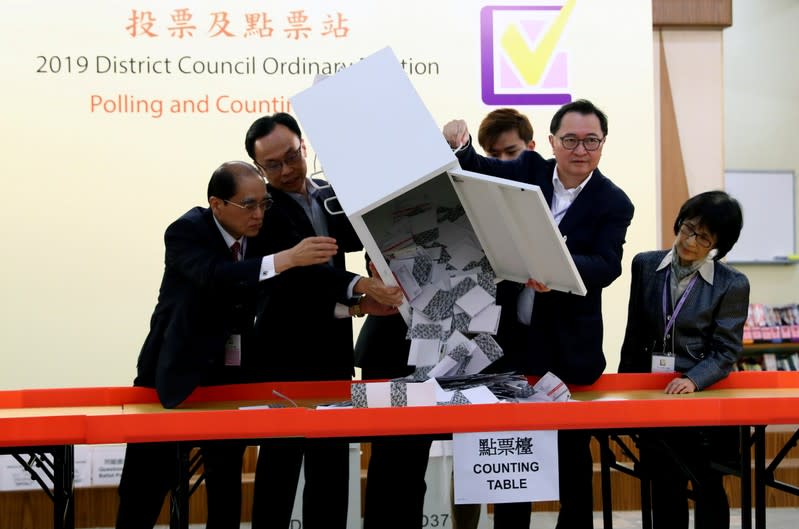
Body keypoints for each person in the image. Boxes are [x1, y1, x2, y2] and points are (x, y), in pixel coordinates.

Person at [116, 161, 344, 529]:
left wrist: (357, 300)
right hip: (170, 372)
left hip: (228, 378)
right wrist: (287, 258)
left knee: (225, 488)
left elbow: (294, 288)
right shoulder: (185, 231)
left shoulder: (263, 230)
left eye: (264, 204)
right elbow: (215, 276)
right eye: (248, 205)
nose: (258, 214)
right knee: (145, 485)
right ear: (217, 204)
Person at [443, 99, 635, 529]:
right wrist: (461, 144)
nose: (580, 150)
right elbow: (480, 172)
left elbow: (607, 265)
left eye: (591, 141)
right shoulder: (528, 169)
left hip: (570, 352)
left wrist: (556, 265)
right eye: (570, 140)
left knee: (572, 462)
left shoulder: (614, 202)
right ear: (551, 141)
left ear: (603, 144)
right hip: (515, 346)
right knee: (515, 462)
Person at [244, 113, 403, 529]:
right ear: (260, 171)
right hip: (283, 354)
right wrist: (361, 286)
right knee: (280, 465)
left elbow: (370, 234)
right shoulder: (262, 212)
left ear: (305, 147)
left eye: (292, 156)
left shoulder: (333, 196)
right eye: (273, 165)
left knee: (331, 464)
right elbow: (300, 277)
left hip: (332, 349)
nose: (287, 170)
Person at [619, 191, 749, 529]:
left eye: (703, 237)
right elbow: (634, 334)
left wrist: (694, 380)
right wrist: (624, 394)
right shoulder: (645, 265)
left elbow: (727, 349)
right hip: (653, 395)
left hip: (702, 399)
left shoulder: (731, 284)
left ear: (719, 245)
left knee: (708, 484)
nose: (690, 241)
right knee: (663, 483)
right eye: (688, 228)